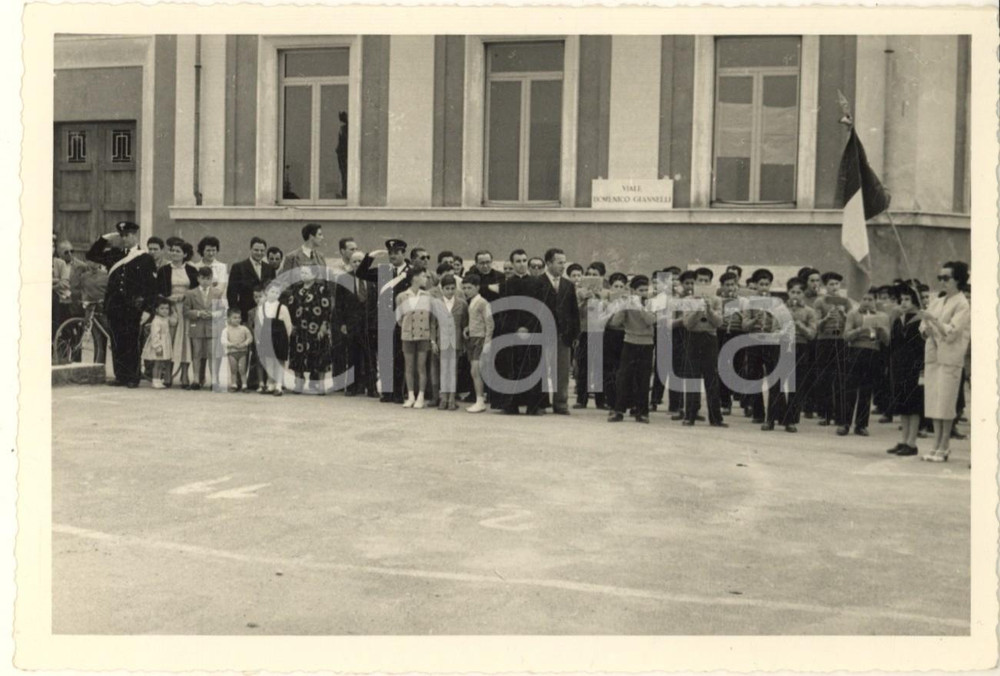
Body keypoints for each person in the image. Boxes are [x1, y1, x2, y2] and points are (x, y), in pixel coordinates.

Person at [85, 221, 158, 388]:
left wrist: (148, 309)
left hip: (134, 307)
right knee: (117, 341)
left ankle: (133, 376)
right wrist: (104, 239)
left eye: (128, 235)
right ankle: (120, 376)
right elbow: (92, 255)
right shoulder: (115, 254)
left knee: (132, 341)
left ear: (135, 236)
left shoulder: (145, 258)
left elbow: (151, 287)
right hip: (115, 306)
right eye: (122, 236)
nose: (125, 239)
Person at [917, 261, 971, 462]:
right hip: (933, 357)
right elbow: (923, 326)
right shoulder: (937, 301)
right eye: (940, 278)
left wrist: (935, 322)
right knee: (934, 400)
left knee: (946, 402)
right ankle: (935, 444)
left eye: (946, 278)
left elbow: (952, 332)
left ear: (958, 279)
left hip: (950, 358)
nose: (942, 282)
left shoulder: (963, 304)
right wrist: (926, 328)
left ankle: (944, 445)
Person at [356, 238, 411, 403]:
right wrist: (370, 256)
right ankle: (387, 392)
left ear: (403, 253)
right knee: (386, 355)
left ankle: (399, 393)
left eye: (396, 253)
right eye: (390, 253)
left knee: (400, 356)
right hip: (385, 318)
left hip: (403, 318)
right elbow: (361, 273)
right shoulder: (384, 270)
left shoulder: (411, 272)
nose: (392, 256)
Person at [495, 249, 544, 415]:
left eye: (524, 260)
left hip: (533, 332)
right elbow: (505, 310)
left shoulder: (537, 283)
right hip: (512, 332)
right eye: (518, 261)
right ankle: (511, 405)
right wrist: (516, 328)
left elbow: (539, 308)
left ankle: (533, 406)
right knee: (512, 368)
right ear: (512, 263)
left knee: (533, 367)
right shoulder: (506, 285)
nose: (522, 264)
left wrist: (528, 327)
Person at [227, 237, 276, 392]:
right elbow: (231, 293)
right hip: (244, 314)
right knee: (242, 349)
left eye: (262, 250)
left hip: (264, 314)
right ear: (250, 249)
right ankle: (239, 382)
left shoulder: (270, 269)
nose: (259, 253)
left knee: (260, 347)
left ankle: (255, 381)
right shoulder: (239, 267)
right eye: (256, 250)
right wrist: (235, 316)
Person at [536, 248, 580, 415]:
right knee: (542, 368)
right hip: (543, 333)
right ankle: (541, 402)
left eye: (564, 262)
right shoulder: (537, 282)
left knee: (562, 370)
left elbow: (573, 311)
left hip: (563, 334)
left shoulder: (568, 285)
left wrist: (575, 334)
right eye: (559, 262)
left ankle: (560, 403)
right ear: (548, 263)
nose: (563, 266)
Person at [607, 275, 656, 424]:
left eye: (645, 290)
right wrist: (623, 306)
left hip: (646, 343)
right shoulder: (626, 303)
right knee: (624, 378)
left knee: (643, 379)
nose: (643, 293)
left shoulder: (652, 303)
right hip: (629, 342)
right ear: (633, 291)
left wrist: (639, 306)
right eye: (640, 290)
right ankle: (619, 411)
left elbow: (650, 320)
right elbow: (615, 322)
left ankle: (642, 412)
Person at [841, 288, 890, 436]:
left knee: (866, 390)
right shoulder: (853, 314)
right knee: (850, 389)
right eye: (864, 299)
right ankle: (845, 423)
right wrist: (860, 329)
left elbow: (887, 341)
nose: (867, 303)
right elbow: (846, 336)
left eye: (870, 300)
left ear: (875, 301)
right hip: (855, 351)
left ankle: (861, 425)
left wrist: (881, 331)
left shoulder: (883, 316)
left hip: (872, 352)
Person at [681, 268, 725, 427]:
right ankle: (690, 415)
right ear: (695, 282)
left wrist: (709, 309)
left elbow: (719, 323)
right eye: (700, 280)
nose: (703, 283)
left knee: (712, 378)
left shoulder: (716, 300)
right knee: (692, 376)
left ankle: (716, 417)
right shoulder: (688, 300)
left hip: (710, 338)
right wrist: (699, 310)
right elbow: (687, 324)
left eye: (707, 281)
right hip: (693, 338)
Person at [886, 284, 925, 457]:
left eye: (908, 299)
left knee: (913, 405)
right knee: (902, 404)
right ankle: (903, 440)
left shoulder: (920, 320)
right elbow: (893, 344)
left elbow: (922, 347)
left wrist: (921, 368)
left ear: (916, 301)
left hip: (914, 366)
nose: (903, 302)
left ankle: (912, 442)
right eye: (902, 299)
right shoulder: (898, 320)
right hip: (899, 366)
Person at [334, 250, 378, 398]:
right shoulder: (344, 279)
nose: (358, 264)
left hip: (369, 324)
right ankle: (352, 386)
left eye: (360, 261)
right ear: (350, 264)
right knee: (352, 356)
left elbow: (375, 303)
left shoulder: (372, 280)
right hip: (352, 324)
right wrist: (342, 324)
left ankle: (371, 388)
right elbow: (339, 305)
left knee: (370, 356)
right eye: (354, 262)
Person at [776, 278, 817, 432]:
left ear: (803, 294)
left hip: (801, 346)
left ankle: (791, 420)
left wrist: (799, 324)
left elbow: (812, 334)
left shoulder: (809, 311)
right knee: (780, 383)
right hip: (784, 345)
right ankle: (779, 415)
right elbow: (773, 329)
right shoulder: (780, 310)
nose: (795, 295)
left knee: (796, 384)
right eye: (792, 292)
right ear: (788, 293)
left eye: (799, 292)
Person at [157, 237, 200, 388]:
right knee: (169, 340)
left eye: (177, 251)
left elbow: (196, 290)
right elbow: (159, 291)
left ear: (185, 254)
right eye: (172, 250)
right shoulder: (164, 270)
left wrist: (186, 296)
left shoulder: (191, 270)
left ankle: (184, 376)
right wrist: (169, 299)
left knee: (185, 342)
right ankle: (167, 375)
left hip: (186, 310)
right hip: (170, 309)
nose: (174, 253)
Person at [742, 268, 781, 428]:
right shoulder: (749, 302)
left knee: (774, 380)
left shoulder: (777, 302)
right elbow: (744, 325)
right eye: (761, 284)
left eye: (767, 284)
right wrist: (755, 320)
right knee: (755, 378)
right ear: (756, 286)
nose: (764, 287)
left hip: (771, 342)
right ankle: (758, 413)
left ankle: (772, 416)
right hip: (754, 341)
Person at [286, 264, 334, 394]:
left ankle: (320, 385)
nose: (303, 275)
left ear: (314, 275)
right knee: (298, 356)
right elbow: (290, 308)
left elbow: (327, 309)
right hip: (299, 328)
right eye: (302, 272)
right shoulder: (296, 288)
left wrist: (324, 326)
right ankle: (299, 384)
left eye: (306, 273)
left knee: (319, 355)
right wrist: (292, 325)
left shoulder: (322, 289)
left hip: (317, 328)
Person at [812, 271, 850, 429]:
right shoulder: (820, 301)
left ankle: (841, 417)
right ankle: (826, 414)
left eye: (837, 284)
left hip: (840, 340)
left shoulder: (845, 302)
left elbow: (852, 322)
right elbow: (816, 324)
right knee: (825, 378)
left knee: (841, 379)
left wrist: (843, 313)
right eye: (831, 284)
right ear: (825, 286)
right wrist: (826, 318)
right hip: (825, 341)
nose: (834, 287)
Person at [396, 264, 433, 409]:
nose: (426, 279)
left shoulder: (427, 296)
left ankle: (421, 396)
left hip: (423, 336)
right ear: (415, 278)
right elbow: (399, 318)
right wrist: (407, 327)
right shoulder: (402, 296)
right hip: (407, 336)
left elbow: (431, 318)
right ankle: (411, 395)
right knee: (409, 366)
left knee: (421, 367)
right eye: (423, 276)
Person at [184, 266, 226, 391]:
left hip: (211, 326)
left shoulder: (217, 293)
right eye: (202, 278)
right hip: (196, 327)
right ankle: (196, 379)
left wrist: (212, 314)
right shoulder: (191, 293)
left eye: (208, 278)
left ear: (212, 279)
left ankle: (214, 381)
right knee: (196, 354)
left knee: (212, 354)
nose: (205, 281)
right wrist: (198, 313)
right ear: (198, 278)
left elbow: (222, 310)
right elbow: (185, 311)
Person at [432, 272, 468, 411]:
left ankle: (452, 398)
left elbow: (464, 324)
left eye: (453, 288)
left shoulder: (462, 304)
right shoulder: (436, 303)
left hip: (456, 341)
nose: (450, 291)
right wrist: (433, 342)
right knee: (443, 370)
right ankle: (443, 398)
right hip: (442, 341)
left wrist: (464, 342)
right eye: (447, 288)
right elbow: (433, 324)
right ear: (442, 289)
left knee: (452, 371)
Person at [254, 282, 293, 396]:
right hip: (266, 336)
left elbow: (288, 324)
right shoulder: (262, 308)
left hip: (280, 337)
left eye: (277, 292)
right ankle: (270, 383)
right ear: (266, 292)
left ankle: (279, 385)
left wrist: (286, 338)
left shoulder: (282, 308)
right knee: (269, 361)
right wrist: (260, 338)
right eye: (272, 291)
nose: (274, 294)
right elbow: (260, 323)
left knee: (279, 361)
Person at [463, 273, 493, 413]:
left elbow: (490, 323)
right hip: (473, 338)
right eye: (464, 288)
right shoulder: (472, 302)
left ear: (477, 287)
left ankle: (480, 400)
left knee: (476, 370)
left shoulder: (482, 302)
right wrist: (468, 329)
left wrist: (487, 342)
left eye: (469, 287)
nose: (466, 290)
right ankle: (479, 398)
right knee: (474, 371)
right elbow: (476, 320)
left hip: (480, 339)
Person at [717, 271, 746, 415]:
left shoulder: (743, 301)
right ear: (722, 287)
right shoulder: (718, 300)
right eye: (727, 285)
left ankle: (743, 399)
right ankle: (725, 402)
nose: (730, 288)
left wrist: (739, 313)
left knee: (739, 366)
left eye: (733, 285)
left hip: (738, 334)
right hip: (722, 334)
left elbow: (747, 320)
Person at [141, 297, 175, 390]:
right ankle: (155, 380)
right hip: (160, 344)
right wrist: (157, 346)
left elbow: (173, 322)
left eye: (167, 308)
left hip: (165, 343)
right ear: (156, 309)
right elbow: (155, 334)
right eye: (162, 308)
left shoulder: (165, 319)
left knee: (162, 363)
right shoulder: (156, 321)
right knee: (157, 363)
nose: (165, 311)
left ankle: (159, 379)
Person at [221, 307, 254, 392]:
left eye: (239, 317)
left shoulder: (244, 328)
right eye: (234, 318)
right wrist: (231, 344)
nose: (237, 320)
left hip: (242, 352)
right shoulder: (226, 330)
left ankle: (244, 385)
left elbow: (250, 338)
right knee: (233, 369)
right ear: (229, 319)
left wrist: (244, 344)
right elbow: (223, 340)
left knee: (242, 369)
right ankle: (234, 384)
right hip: (232, 352)